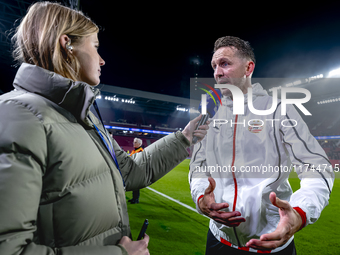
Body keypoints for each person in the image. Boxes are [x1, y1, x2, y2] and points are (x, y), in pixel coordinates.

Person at [0, 2, 209, 255]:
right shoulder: (17, 115)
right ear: (68, 44)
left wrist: (184, 137)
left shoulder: (84, 116)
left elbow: (131, 172)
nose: (102, 59)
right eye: (96, 47)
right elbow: (9, 249)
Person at [189, 36, 334, 254]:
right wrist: (201, 197)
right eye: (214, 66)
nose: (217, 73)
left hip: (270, 242)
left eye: (225, 63)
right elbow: (198, 167)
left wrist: (300, 212)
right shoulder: (210, 117)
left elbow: (316, 166)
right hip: (218, 239)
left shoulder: (278, 111)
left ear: (248, 68)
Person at [128, 138, 144, 204]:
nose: (133, 143)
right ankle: (134, 198)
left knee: (136, 186)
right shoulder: (134, 150)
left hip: (137, 170)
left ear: (139, 144)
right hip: (134, 169)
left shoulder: (140, 151)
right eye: (134, 142)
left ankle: (136, 199)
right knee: (134, 185)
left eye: (135, 142)